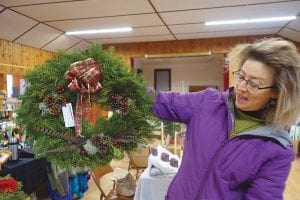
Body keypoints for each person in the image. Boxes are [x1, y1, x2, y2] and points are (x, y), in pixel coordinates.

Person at [150, 38, 300, 200]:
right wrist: (126, 92)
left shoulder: (276, 149)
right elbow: (161, 102)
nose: (242, 87)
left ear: (276, 92)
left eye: (254, 84)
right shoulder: (207, 103)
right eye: (241, 77)